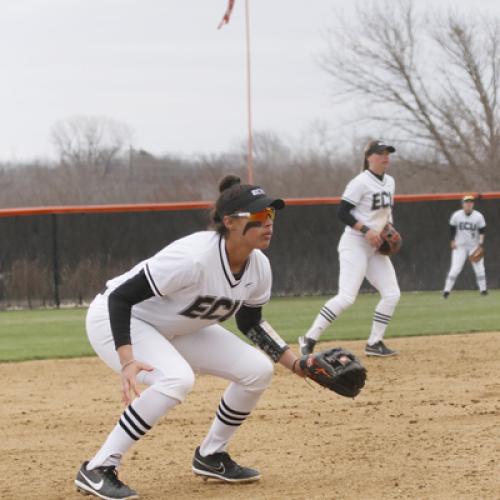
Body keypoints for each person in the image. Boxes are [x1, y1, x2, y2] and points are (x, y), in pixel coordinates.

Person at [75, 175, 307, 500]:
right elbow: (120, 298)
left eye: (271, 215)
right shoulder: (194, 258)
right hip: (122, 319)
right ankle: (98, 467)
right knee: (176, 379)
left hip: (178, 327)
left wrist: (296, 364)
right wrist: (127, 360)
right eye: (257, 217)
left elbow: (251, 322)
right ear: (228, 222)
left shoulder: (259, 268)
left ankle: (211, 455)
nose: (267, 223)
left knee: (257, 370)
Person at [299, 140, 400, 358]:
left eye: (388, 153)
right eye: (381, 153)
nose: (386, 157)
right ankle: (309, 338)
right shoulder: (360, 182)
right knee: (346, 297)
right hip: (355, 244)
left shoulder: (390, 182)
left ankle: (375, 343)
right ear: (369, 157)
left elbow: (385, 213)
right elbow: (342, 212)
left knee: (392, 294)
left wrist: (387, 229)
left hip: (375, 247)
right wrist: (367, 230)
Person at [443, 195, 487, 298]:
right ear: (463, 204)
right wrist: (452, 240)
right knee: (455, 269)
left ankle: (483, 290)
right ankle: (446, 291)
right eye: (467, 202)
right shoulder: (457, 215)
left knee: (479, 269)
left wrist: (480, 244)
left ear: (473, 204)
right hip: (460, 246)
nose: (469, 204)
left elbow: (482, 231)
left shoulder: (478, 216)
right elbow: (452, 228)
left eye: (471, 202)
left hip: (474, 246)